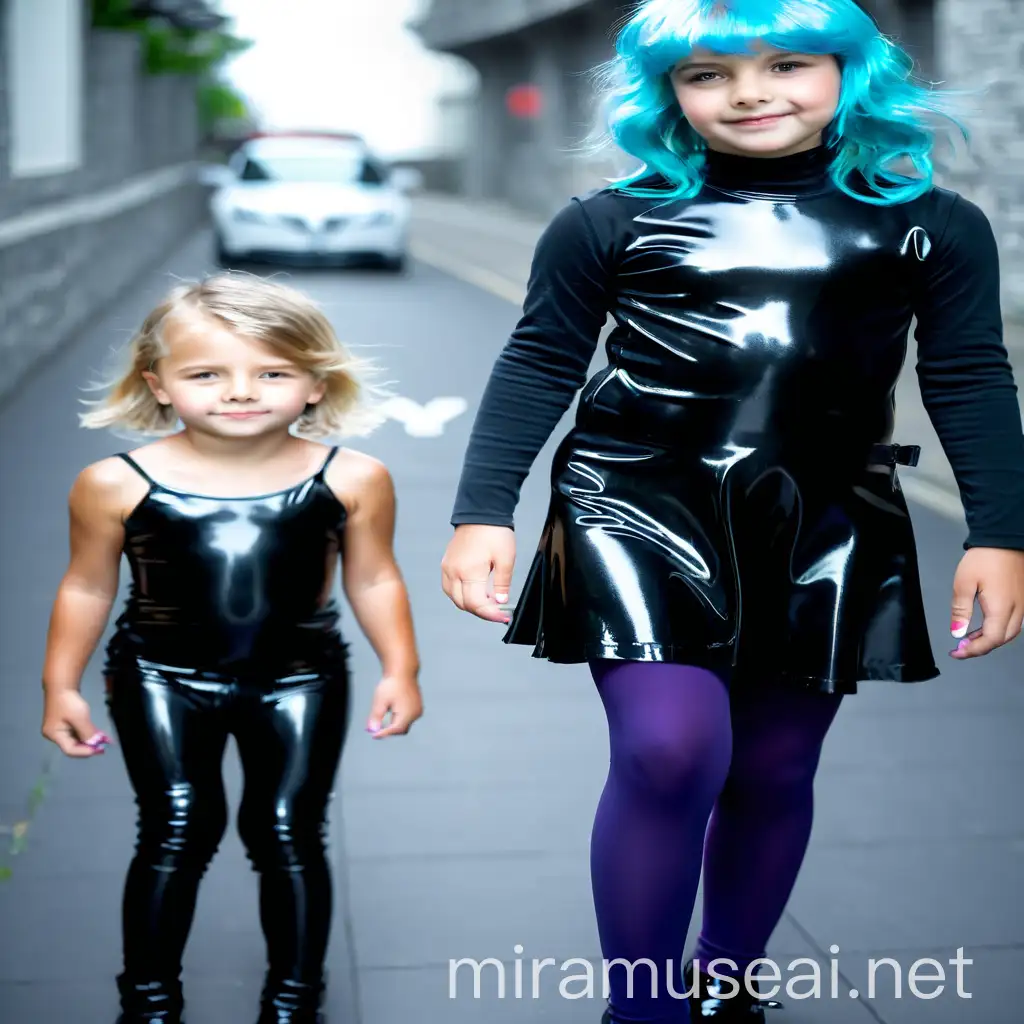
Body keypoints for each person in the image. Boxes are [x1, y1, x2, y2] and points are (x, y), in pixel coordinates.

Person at [440, 0, 1024, 1021]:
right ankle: (643, 1007)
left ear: (851, 70)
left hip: (825, 515)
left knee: (772, 762)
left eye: (787, 62)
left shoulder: (933, 224)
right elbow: (538, 360)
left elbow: (970, 377)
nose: (750, 91)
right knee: (670, 748)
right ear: (667, 92)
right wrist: (483, 508)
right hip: (633, 502)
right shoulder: (605, 221)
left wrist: (1000, 532)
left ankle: (726, 975)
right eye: (709, 73)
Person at [40, 273, 423, 1024]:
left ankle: (293, 1000)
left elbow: (374, 578)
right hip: (158, 675)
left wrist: (401, 668)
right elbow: (85, 587)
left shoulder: (352, 478)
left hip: (302, 680)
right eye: (207, 374)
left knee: (288, 830)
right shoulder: (113, 484)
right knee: (177, 827)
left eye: (272, 373)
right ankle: (148, 1002)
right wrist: (62, 684)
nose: (239, 392)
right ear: (159, 383)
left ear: (315, 382)